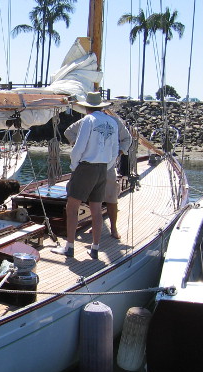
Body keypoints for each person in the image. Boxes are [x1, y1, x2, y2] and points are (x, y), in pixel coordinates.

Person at [52, 92, 118, 259]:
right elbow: (114, 149)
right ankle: (95, 248)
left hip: (86, 167)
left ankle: (70, 246)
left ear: (86, 107)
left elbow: (79, 146)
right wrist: (107, 165)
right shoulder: (112, 122)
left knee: (72, 207)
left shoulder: (89, 120)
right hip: (103, 168)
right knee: (96, 209)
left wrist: (75, 167)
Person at [64, 111, 132, 240]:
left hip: (107, 164)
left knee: (111, 196)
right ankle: (94, 237)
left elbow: (127, 138)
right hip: (95, 163)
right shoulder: (86, 120)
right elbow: (69, 132)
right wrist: (81, 145)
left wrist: (120, 151)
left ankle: (113, 228)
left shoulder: (115, 122)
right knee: (94, 200)